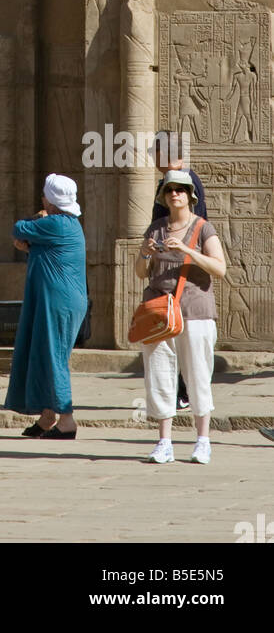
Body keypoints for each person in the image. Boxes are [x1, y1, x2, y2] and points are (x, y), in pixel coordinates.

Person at [136, 168, 226, 464]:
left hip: (194, 310)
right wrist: (147, 253)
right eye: (170, 189)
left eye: (181, 189)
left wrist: (187, 249)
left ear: (190, 195)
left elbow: (219, 268)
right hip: (160, 312)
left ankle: (203, 440)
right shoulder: (156, 228)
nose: (175, 193)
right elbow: (140, 273)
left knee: (198, 373)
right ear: (164, 196)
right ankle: (164, 441)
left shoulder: (203, 229)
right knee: (160, 375)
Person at [5, 174, 88, 438]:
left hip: (59, 302)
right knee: (47, 356)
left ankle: (66, 420)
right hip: (58, 300)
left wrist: (34, 221)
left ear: (50, 200)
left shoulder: (57, 223)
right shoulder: (63, 224)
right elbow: (45, 252)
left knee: (54, 358)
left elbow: (19, 228)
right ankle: (48, 416)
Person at [149, 131, 207, 411]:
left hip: (177, 264)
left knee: (177, 331)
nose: (152, 158)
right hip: (173, 260)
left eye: (155, 152)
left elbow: (189, 223)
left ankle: (183, 393)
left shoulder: (180, 180)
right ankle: (179, 391)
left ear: (167, 153)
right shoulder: (177, 178)